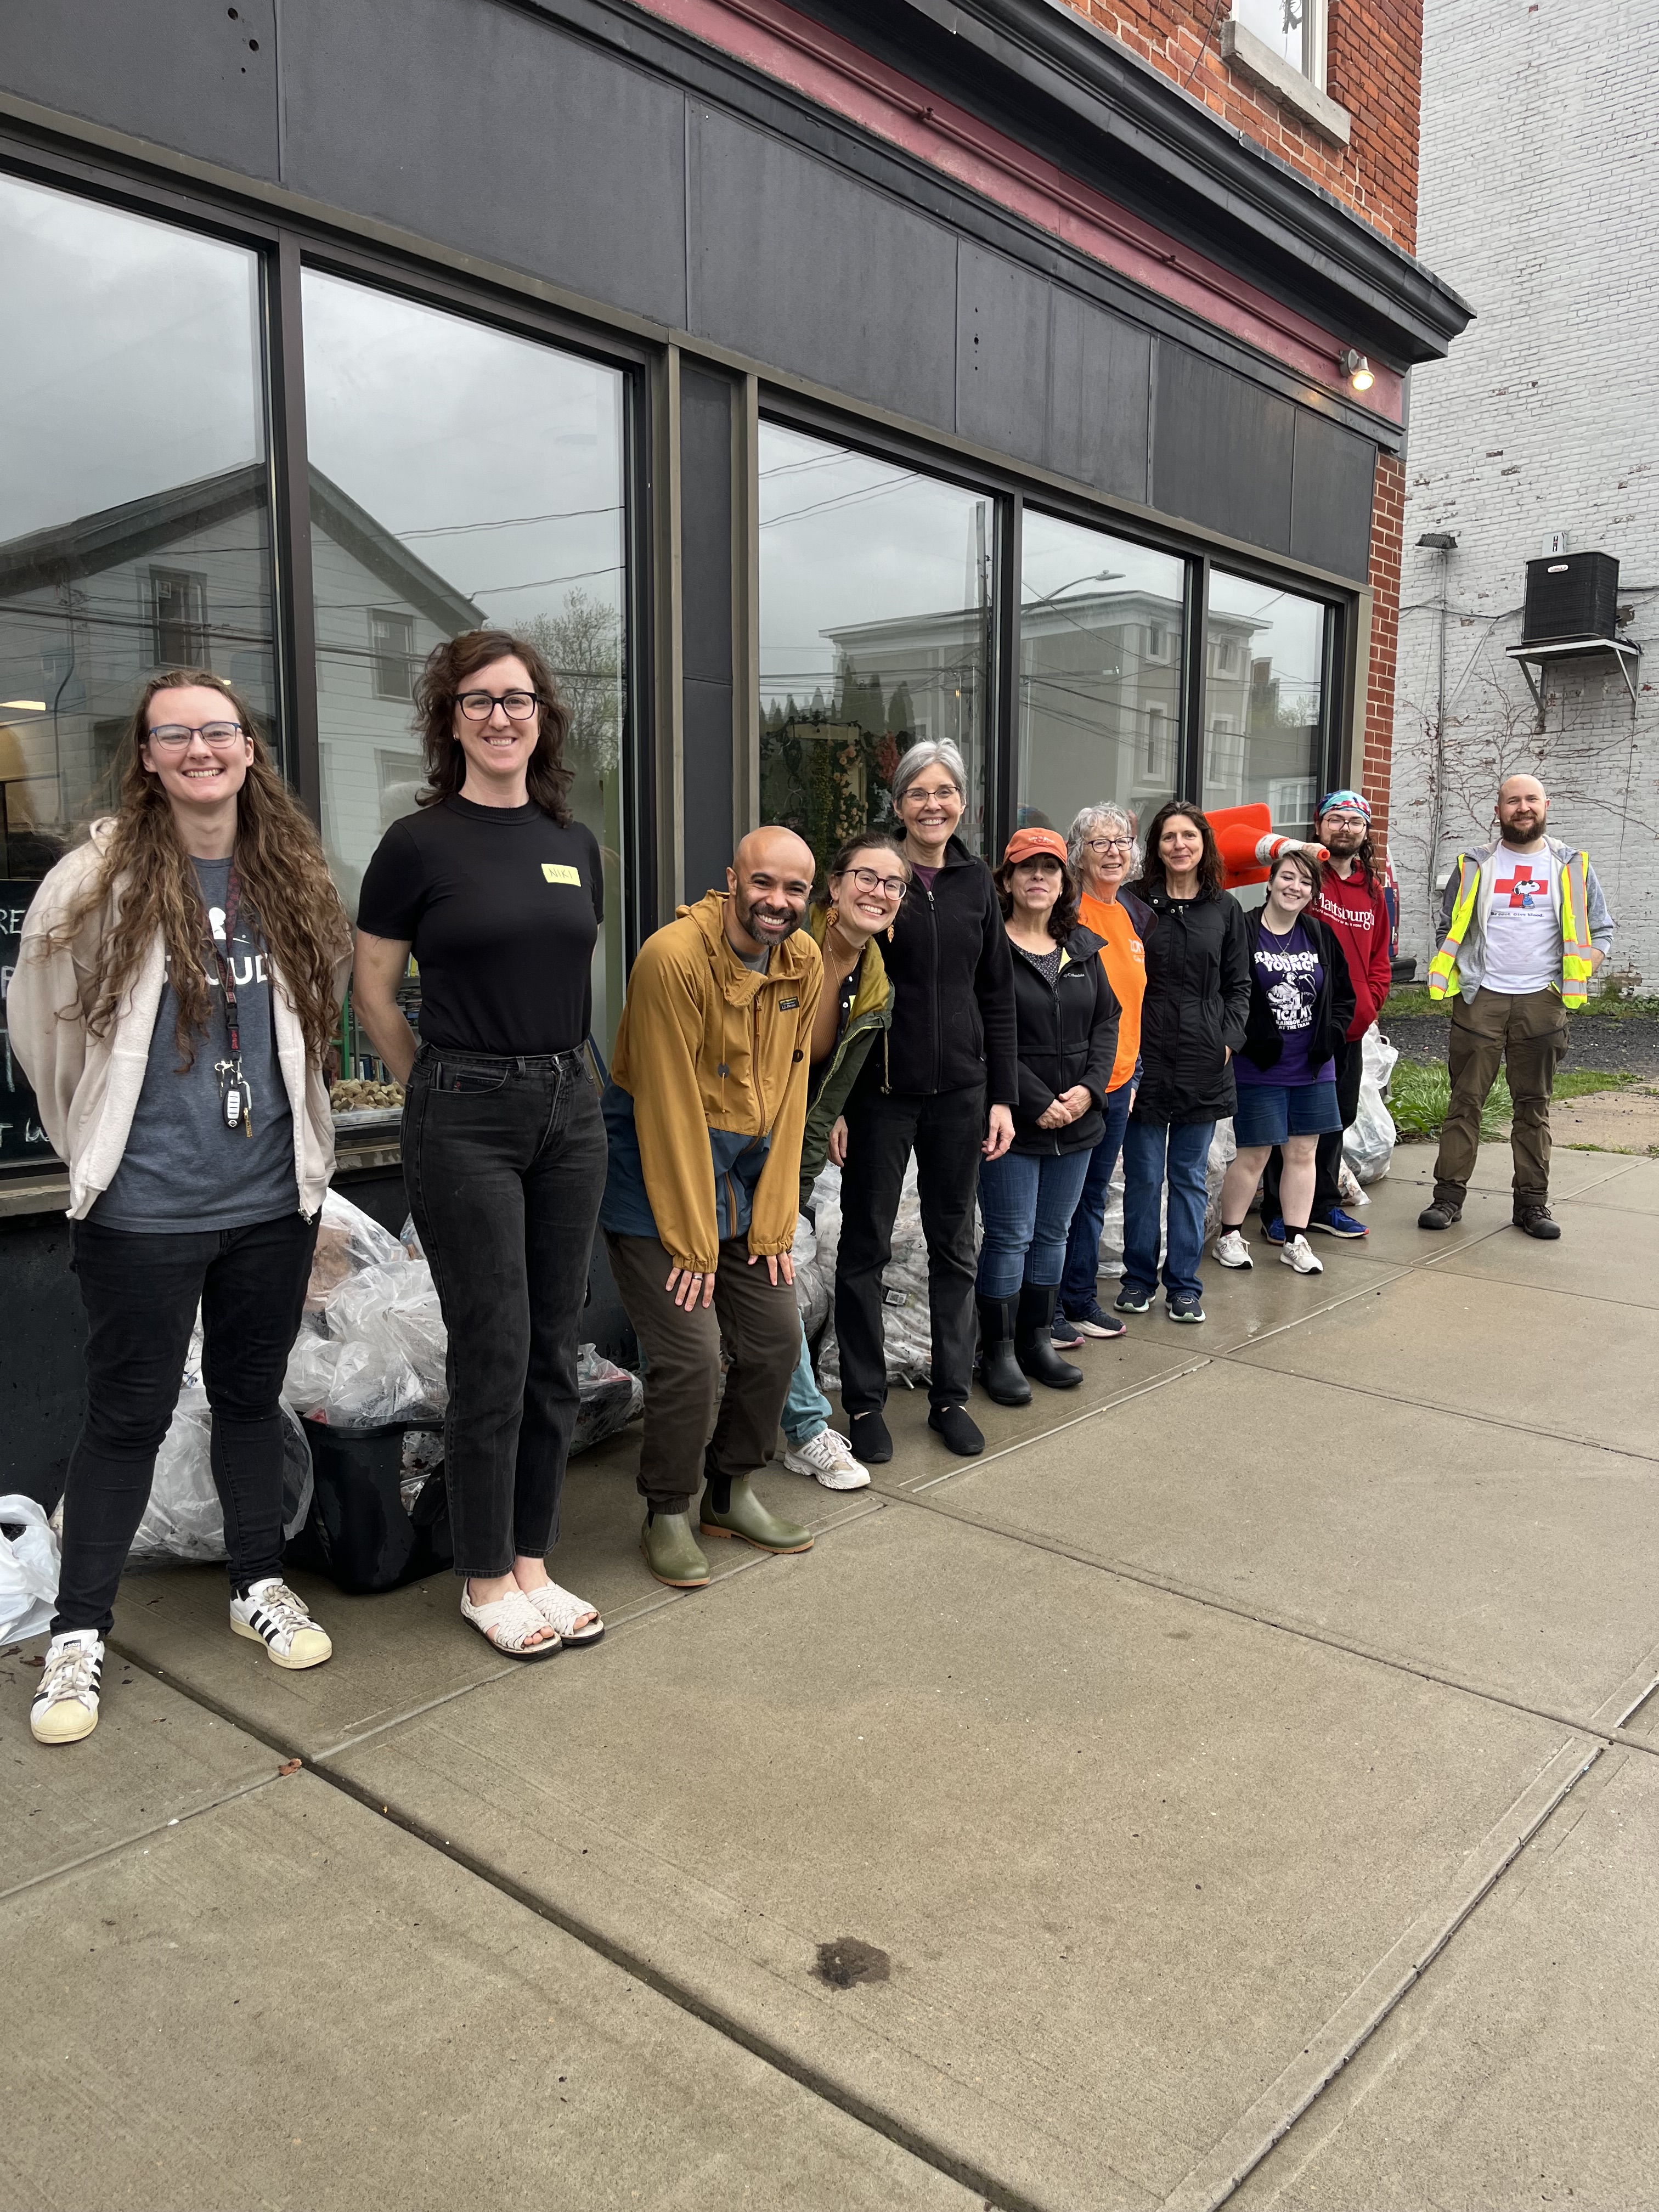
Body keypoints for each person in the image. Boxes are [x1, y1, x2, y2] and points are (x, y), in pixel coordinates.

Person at [10, 670, 352, 1746]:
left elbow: (321, 1006)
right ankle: (78, 1634)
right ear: (149, 758)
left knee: (250, 1400)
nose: (200, 749)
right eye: (175, 735)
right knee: (128, 1419)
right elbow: (41, 1030)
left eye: (218, 731)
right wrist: (97, 1150)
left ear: (248, 749)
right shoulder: (92, 880)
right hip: (143, 1211)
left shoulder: (288, 872)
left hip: (269, 1203)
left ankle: (257, 1582)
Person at [354, 629, 608, 1661]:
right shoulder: (417, 845)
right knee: (493, 1347)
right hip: (466, 1109)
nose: (500, 717)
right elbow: (373, 993)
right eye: (478, 700)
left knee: (554, 1343)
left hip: (571, 1104)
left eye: (517, 700)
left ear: (542, 717)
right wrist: (437, 1087)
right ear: (449, 720)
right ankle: (484, 1574)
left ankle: (533, 1560)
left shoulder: (573, 841)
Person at [600, 827, 822, 1589]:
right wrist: (694, 1243)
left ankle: (730, 1492)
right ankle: (667, 1510)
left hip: (744, 1180)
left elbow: (792, 1093)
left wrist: (775, 1221)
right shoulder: (671, 958)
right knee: (692, 1358)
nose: (778, 902)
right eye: (763, 883)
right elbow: (667, 1108)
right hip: (655, 1176)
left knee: (774, 1339)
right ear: (732, 880)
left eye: (795, 889)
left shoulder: (803, 960)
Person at [833, 740, 1017, 1463]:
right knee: (865, 1248)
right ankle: (864, 1403)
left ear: (962, 803)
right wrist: (835, 1103)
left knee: (954, 1247)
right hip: (880, 1097)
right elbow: (836, 988)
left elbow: (996, 995)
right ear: (899, 803)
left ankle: (950, 1398)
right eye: (918, 792)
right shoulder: (880, 878)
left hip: (961, 1097)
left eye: (944, 792)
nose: (932, 804)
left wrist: (1002, 1097)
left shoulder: (977, 885)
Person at [1419, 774, 1612, 1239]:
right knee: (1465, 1102)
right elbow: (1449, 926)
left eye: (1531, 800)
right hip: (1480, 999)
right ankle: (1447, 1199)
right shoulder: (1475, 865)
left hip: (1543, 1001)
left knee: (1533, 1107)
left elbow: (1602, 930)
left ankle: (1532, 1205)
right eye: (1512, 801)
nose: (1522, 808)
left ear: (1546, 805)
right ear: (1499, 811)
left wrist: (1576, 973)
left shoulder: (1572, 865)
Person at [778, 836, 906, 1491]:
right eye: (866, 876)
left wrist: (793, 1185)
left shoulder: (874, 984)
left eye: (893, 884)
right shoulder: (783, 945)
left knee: (767, 1279)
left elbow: (824, 1100)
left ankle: (804, 1428)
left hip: (779, 1148)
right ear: (834, 885)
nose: (878, 892)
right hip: (714, 1135)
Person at [975, 829, 1119, 1403]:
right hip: (1012, 1121)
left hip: (1078, 1121)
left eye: (1050, 868)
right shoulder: (989, 948)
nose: (1039, 877)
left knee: (1053, 1233)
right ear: (1008, 880)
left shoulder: (1082, 947)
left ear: (1063, 883)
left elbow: (1107, 1022)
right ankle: (999, 1351)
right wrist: (1037, 1101)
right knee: (1010, 1236)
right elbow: (985, 1036)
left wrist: (1089, 1091)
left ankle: (1037, 1340)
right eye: (1026, 868)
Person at [1115, 802, 1250, 1325]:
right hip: (1144, 1060)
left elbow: (1240, 986)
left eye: (1189, 836)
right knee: (1144, 1178)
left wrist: (1227, 1042)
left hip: (1202, 1060)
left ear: (1204, 844)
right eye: (1169, 836)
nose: (1179, 845)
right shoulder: (1132, 903)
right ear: (1156, 846)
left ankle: (1185, 1286)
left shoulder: (1225, 909)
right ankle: (1137, 1280)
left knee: (1190, 1179)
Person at [1215, 849, 1356, 1279]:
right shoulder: (1243, 929)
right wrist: (1240, 1040)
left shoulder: (1319, 934)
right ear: (1270, 882)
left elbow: (1343, 996)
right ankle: (1229, 1236)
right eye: (1288, 877)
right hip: (1259, 1065)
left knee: (1303, 1152)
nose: (1295, 887)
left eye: (1305, 882)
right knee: (1255, 1153)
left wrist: (1330, 1037)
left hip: (1312, 1065)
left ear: (1312, 893)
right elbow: (1226, 990)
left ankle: (1295, 1240)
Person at [1260, 790, 1391, 1244]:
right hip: (1298, 1024)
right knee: (1288, 1122)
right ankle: (1278, 1211)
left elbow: (1380, 958)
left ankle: (1321, 1206)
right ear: (1319, 827)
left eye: (1355, 821)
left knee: (1337, 1117)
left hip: (1348, 1027)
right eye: (1336, 819)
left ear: (1365, 832)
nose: (1345, 828)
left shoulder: (1373, 891)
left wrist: (1370, 1002)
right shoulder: (1305, 877)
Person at [1055, 804, 1149, 1345]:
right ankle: (1049, 1309)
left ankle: (1080, 1298)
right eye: (1100, 843)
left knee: (1092, 1197)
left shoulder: (1129, 914)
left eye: (1122, 842)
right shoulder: (1070, 913)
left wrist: (1132, 1076)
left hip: (1119, 1082)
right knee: (1062, 1204)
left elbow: (1132, 1006)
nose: (1114, 852)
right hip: (1078, 1085)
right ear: (1079, 854)